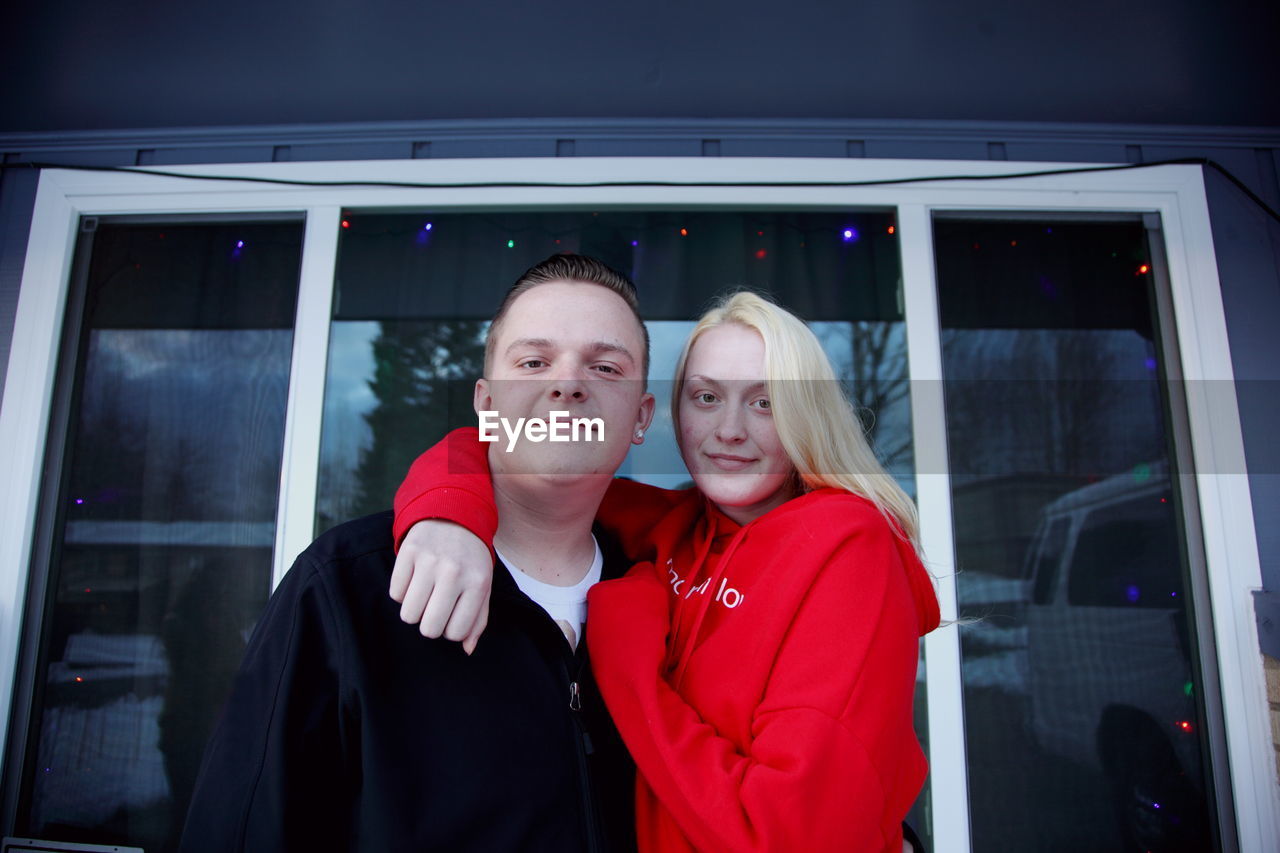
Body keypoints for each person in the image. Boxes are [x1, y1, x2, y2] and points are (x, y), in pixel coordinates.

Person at [391, 291, 942, 852]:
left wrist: (630, 669)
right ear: (671, 414)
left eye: (764, 403)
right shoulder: (674, 527)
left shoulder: (848, 546)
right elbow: (514, 451)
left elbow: (790, 836)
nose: (728, 430)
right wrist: (447, 515)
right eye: (706, 397)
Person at [179, 254, 656, 852]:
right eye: (533, 361)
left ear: (641, 416)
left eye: (606, 366)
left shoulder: (673, 596)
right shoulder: (347, 586)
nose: (567, 383)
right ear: (485, 405)